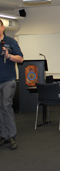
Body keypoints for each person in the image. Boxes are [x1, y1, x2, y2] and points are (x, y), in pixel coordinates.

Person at [0, 19, 23, 149]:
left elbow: (20, 59)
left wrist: (9, 56)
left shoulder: (10, 42)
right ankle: (4, 135)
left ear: (2, 28)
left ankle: (12, 136)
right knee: (0, 108)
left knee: (6, 105)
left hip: (8, 80)